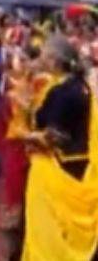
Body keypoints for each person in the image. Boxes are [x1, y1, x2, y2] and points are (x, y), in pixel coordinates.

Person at [20, 36, 98, 261]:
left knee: (54, 231)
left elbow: (55, 136)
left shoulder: (62, 92)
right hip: (79, 164)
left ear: (54, 60)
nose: (41, 58)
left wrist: (24, 135)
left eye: (44, 54)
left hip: (60, 170)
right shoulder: (77, 86)